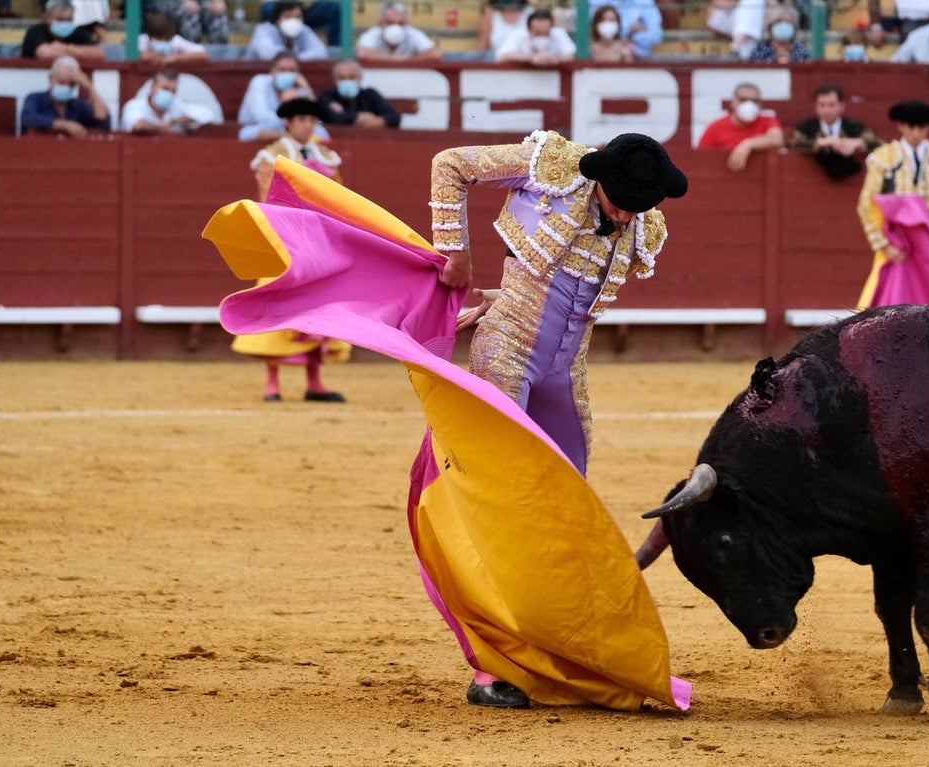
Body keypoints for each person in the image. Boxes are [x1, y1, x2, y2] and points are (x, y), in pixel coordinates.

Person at [431, 129, 687, 708]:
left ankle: (559, 649)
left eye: (637, 206)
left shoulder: (645, 221)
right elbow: (450, 164)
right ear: (597, 176)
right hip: (506, 357)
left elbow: (564, 297)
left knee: (566, 511)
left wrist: (508, 291)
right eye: (617, 199)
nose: (624, 213)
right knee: (503, 509)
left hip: (565, 376)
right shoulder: (551, 165)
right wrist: (457, 252)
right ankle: (494, 669)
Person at [235, 96, 350, 403]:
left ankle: (315, 381)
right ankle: (272, 383)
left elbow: (338, 199)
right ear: (288, 123)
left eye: (312, 121)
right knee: (278, 306)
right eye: (302, 120)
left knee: (316, 309)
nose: (307, 125)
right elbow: (268, 199)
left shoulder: (325, 156)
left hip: (318, 243)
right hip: (283, 240)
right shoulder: (271, 156)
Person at [856, 99, 929, 308]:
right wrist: (884, 244)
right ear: (901, 126)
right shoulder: (883, 157)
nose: (916, 133)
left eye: (922, 127)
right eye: (911, 126)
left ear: (928, 127)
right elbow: (865, 203)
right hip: (899, 240)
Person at [790, 83, 881, 180]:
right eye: (822, 105)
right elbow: (793, 142)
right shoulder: (806, 127)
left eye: (831, 105)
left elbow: (879, 143)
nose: (827, 110)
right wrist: (821, 142)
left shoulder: (854, 126)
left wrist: (859, 142)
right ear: (816, 107)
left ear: (841, 106)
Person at [696, 82, 785, 172]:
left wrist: (747, 144)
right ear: (733, 103)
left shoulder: (767, 121)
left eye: (754, 101)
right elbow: (701, 158)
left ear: (760, 104)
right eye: (743, 100)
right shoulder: (716, 127)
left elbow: (777, 139)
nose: (749, 105)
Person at [238, 50, 324, 142]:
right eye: (282, 70)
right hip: (256, 130)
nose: (287, 74)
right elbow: (263, 118)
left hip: (289, 132)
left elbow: (317, 121)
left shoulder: (299, 90)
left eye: (292, 71)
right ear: (272, 71)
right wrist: (291, 123)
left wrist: (307, 89)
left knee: (321, 133)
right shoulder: (260, 82)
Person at [20, 55, 110, 137]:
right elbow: (27, 118)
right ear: (51, 79)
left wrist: (90, 87)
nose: (66, 87)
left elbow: (102, 121)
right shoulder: (35, 98)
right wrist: (65, 125)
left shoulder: (77, 105)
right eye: (61, 82)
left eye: (71, 84)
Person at [121, 69, 215, 134]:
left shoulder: (176, 105)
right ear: (152, 88)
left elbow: (208, 115)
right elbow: (138, 126)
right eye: (165, 89)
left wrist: (183, 120)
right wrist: (164, 128)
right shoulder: (134, 105)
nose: (169, 94)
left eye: (173, 91)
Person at [319, 59, 402, 129]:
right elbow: (331, 117)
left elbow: (394, 116)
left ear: (360, 78)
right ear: (334, 79)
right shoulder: (328, 96)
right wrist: (358, 117)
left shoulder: (369, 94)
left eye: (352, 77)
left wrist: (379, 121)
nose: (347, 81)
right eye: (342, 78)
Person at [244, 0, 329, 62]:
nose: (294, 21)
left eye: (298, 17)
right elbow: (269, 54)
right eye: (288, 16)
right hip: (259, 75)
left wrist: (295, 59)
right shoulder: (263, 30)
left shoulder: (303, 29)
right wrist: (296, 59)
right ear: (277, 20)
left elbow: (321, 52)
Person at [356, 1, 441, 61]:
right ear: (380, 23)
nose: (395, 27)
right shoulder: (373, 34)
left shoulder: (413, 34)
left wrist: (410, 60)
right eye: (390, 23)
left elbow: (435, 54)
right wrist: (394, 60)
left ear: (407, 23)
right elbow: (362, 53)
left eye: (401, 23)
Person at [21, 0, 104, 61]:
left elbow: (99, 54)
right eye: (60, 20)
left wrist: (65, 48)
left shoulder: (77, 32)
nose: (65, 24)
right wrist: (81, 53)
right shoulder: (35, 32)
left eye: (69, 20)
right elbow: (45, 54)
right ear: (46, 18)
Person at [495, 9, 576, 65]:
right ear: (528, 29)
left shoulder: (558, 34)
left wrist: (555, 61)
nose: (541, 36)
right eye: (537, 33)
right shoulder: (518, 35)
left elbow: (571, 55)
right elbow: (503, 56)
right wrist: (530, 59)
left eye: (545, 33)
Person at [259, 0, 340, 49]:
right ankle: (271, 44)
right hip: (281, 8)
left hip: (307, 8)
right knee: (267, 9)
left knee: (336, 10)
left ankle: (336, 50)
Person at [595, 0, 662, 59]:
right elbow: (592, 30)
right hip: (605, 56)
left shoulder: (645, 2)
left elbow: (655, 36)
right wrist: (629, 31)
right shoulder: (598, 2)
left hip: (639, 59)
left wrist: (631, 37)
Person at [145, 0, 230, 45]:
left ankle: (217, 55)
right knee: (189, 14)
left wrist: (217, 2)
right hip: (161, 5)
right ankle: (190, 55)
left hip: (196, 5)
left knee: (218, 14)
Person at [138, 12, 211, 65]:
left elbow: (203, 55)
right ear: (150, 35)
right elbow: (140, 56)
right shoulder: (142, 39)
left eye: (166, 38)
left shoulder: (176, 40)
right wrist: (160, 56)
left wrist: (175, 58)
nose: (162, 41)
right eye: (158, 37)